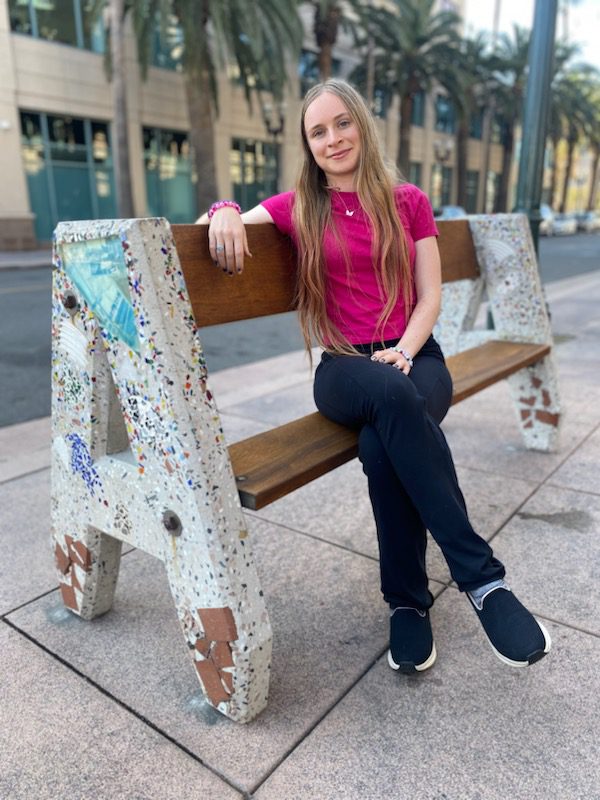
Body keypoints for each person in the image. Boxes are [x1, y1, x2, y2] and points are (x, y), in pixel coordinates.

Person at [196, 79, 551, 674]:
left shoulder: (407, 199)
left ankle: (408, 606)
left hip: (417, 357)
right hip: (343, 367)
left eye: (341, 124)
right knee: (387, 396)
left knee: (381, 442)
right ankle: (483, 582)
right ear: (307, 145)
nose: (332, 139)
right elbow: (234, 216)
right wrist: (223, 208)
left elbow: (431, 292)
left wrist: (406, 351)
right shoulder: (298, 207)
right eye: (317, 131)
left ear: (361, 124)